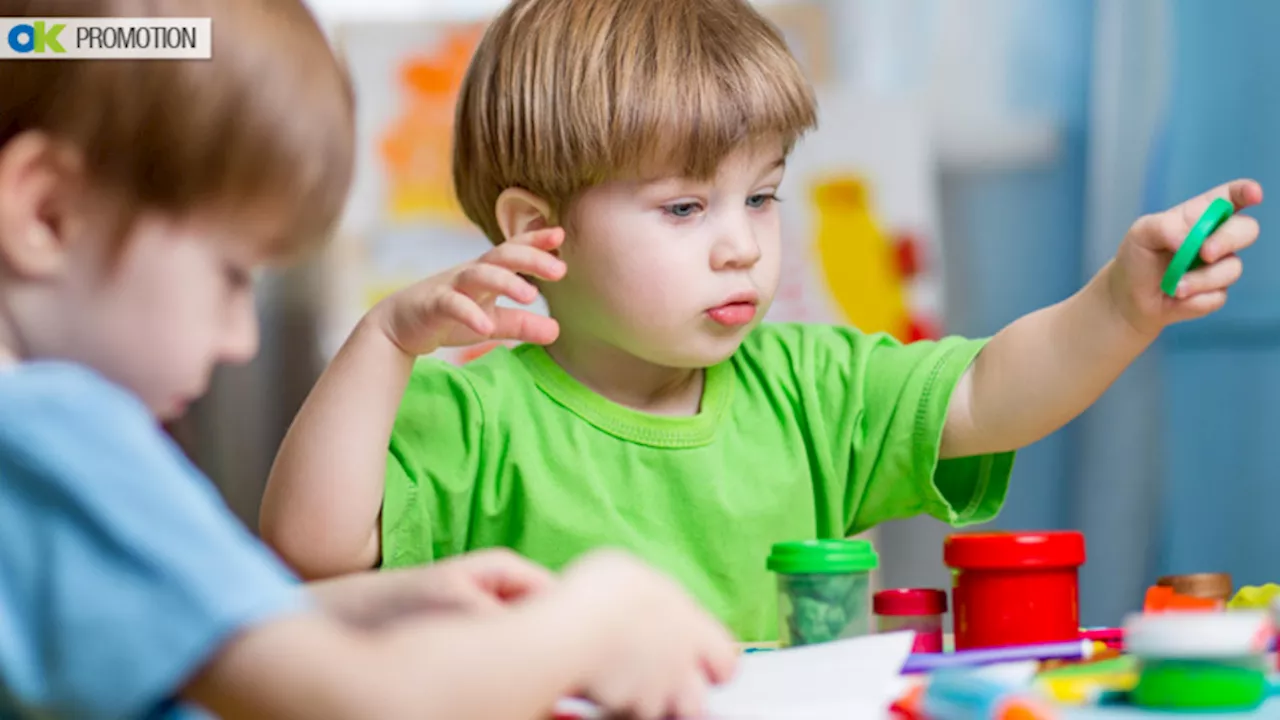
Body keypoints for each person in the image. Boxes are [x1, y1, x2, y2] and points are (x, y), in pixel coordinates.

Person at [260, 0, 1263, 643]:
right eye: (686, 208)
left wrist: (1118, 306)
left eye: (762, 196)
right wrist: (384, 343)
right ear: (538, 231)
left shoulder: (805, 385)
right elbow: (310, 550)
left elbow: (989, 391)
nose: (741, 245)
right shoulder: (464, 411)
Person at [0, 1, 737, 718]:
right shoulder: (49, 431)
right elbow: (374, 703)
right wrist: (595, 617)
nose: (240, 340)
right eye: (232, 276)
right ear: (47, 213)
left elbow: (156, 623)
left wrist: (361, 604)